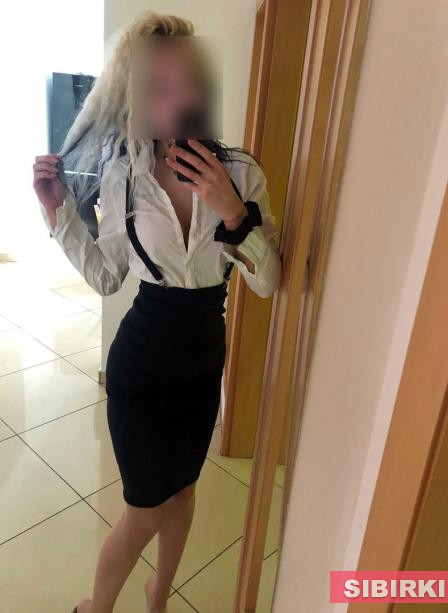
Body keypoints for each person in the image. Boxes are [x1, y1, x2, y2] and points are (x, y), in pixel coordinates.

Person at [32, 10, 281, 613]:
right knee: (143, 509)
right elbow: (107, 276)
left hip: (203, 361)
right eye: (159, 86)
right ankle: (96, 607)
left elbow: (269, 283)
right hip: (141, 367)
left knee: (185, 490)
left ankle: (159, 594)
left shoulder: (242, 172)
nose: (180, 97)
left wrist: (232, 211)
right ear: (136, 100)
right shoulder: (124, 177)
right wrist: (60, 214)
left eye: (189, 81)